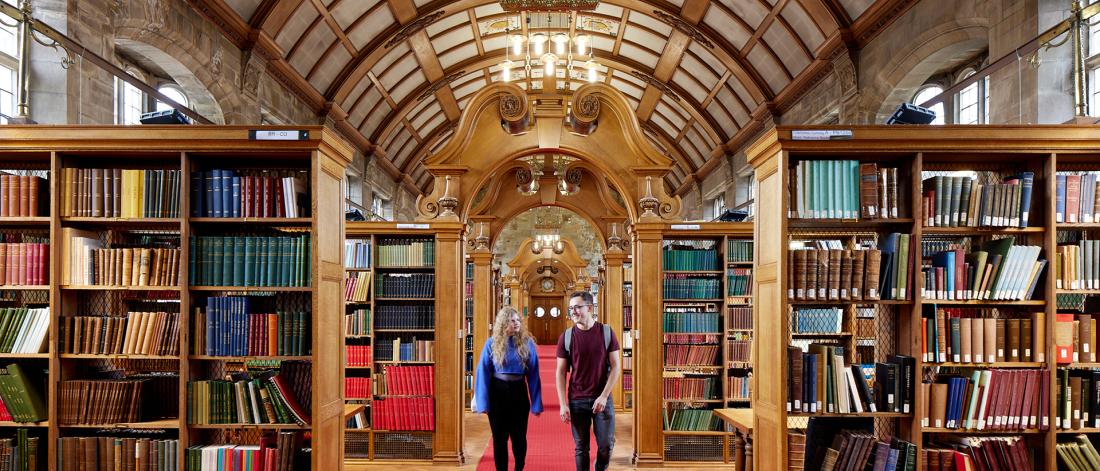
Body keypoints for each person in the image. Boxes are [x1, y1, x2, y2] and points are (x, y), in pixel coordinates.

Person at [556, 291, 621, 471]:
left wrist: (604, 396)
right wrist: (563, 404)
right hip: (577, 400)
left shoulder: (607, 333)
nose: (573, 312)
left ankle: (600, 467)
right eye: (571, 308)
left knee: (606, 445)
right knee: (581, 448)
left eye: (577, 307)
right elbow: (560, 372)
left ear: (590, 308)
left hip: (602, 399)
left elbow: (616, 366)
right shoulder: (566, 337)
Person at [474, 306, 543, 471]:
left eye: (518, 320)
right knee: (499, 438)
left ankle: (519, 467)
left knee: (519, 437)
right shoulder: (491, 343)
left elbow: (534, 374)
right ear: (504, 322)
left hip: (518, 391)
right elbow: (482, 372)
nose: (516, 323)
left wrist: (536, 403)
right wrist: (483, 402)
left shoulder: (527, 343)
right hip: (497, 393)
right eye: (512, 320)